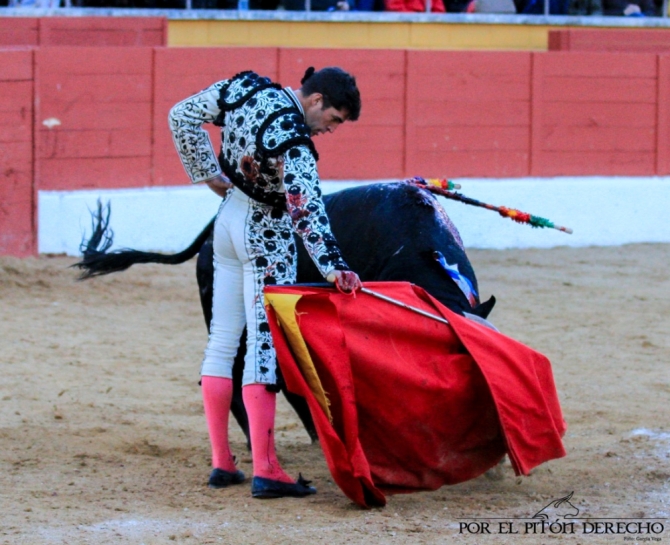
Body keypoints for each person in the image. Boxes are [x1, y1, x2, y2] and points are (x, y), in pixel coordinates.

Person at [168, 67, 362, 499]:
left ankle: (222, 462)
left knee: (222, 340)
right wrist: (334, 268)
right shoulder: (294, 139)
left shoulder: (246, 89)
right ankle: (267, 468)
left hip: (228, 221)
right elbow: (306, 211)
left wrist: (208, 175)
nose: (331, 129)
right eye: (333, 119)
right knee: (263, 346)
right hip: (267, 234)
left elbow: (180, 115)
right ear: (315, 101)